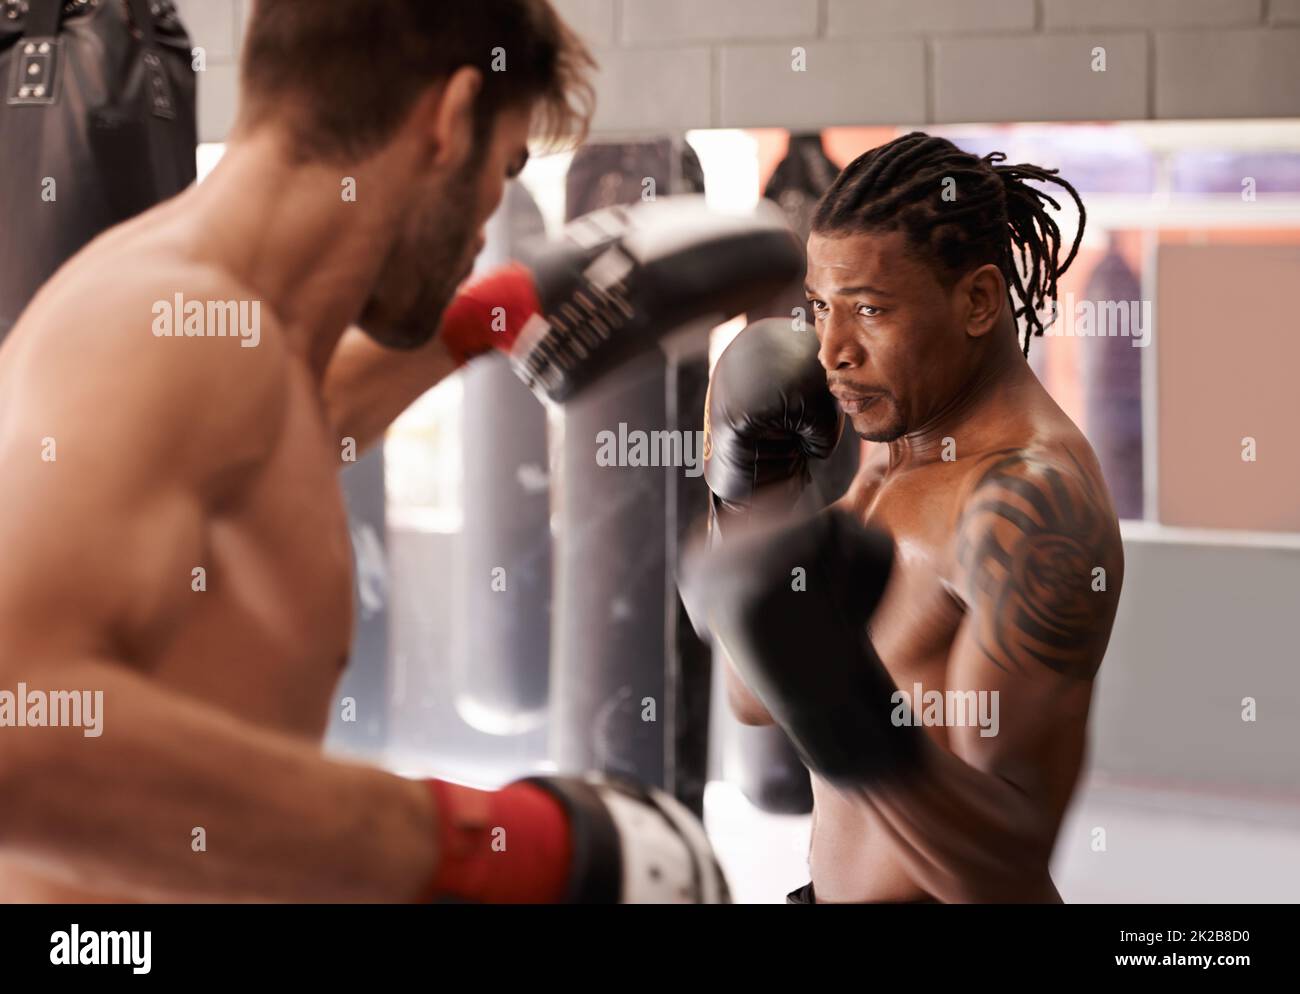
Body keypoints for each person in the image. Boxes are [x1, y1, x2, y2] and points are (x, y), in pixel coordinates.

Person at [0, 0, 806, 904]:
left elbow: (291, 428)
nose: (488, 219)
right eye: (503, 168)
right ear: (449, 117)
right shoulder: (167, 331)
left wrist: (493, 313)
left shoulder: (240, 348)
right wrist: (488, 843)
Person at [690, 132, 1125, 904]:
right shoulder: (897, 445)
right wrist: (752, 489)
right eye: (821, 308)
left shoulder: (1025, 508)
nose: (831, 352)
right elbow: (755, 700)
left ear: (979, 301)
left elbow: (1004, 874)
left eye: (869, 309)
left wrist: (842, 704)